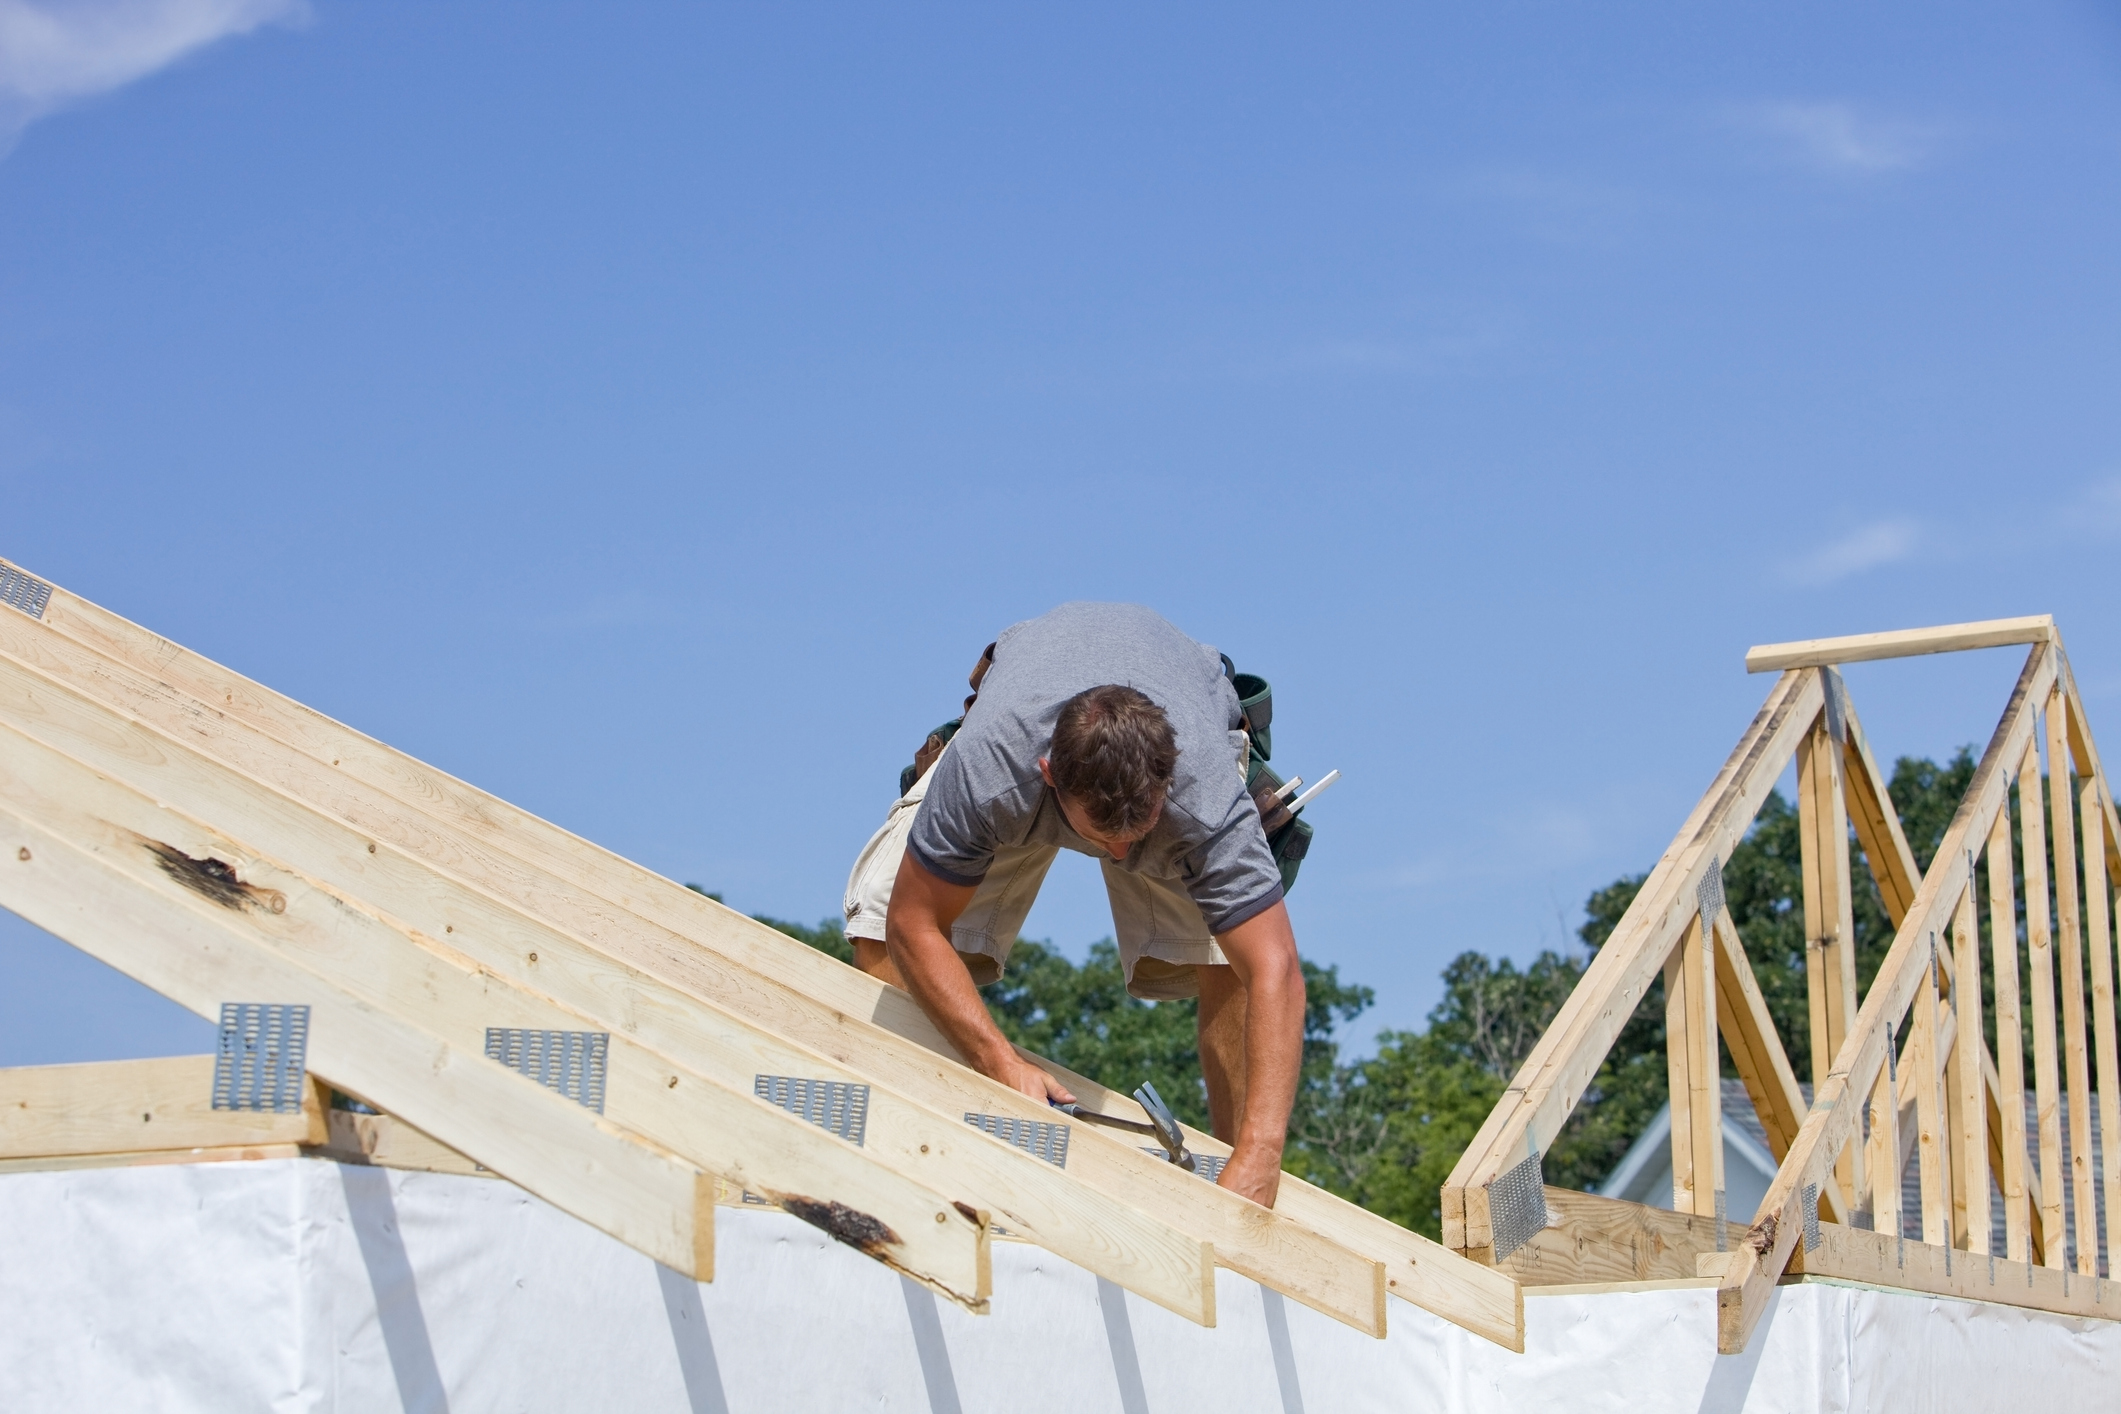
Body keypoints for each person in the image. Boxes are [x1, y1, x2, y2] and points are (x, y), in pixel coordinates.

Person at [841, 602, 1305, 1207]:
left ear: (1167, 782)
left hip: (1184, 728)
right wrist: (998, 1061)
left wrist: (1262, 1153)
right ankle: (927, 1143)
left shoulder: (1204, 795)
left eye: (1134, 831)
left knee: (1229, 954)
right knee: (878, 916)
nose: (1117, 852)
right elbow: (911, 922)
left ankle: (1242, 1181)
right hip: (1021, 749)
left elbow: (1276, 969)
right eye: (1101, 833)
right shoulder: (990, 769)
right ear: (1049, 774)